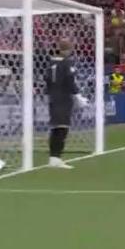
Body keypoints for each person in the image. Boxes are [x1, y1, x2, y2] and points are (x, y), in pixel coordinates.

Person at [45, 39, 88, 169]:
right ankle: (55, 158)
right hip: (63, 98)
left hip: (53, 97)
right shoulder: (66, 63)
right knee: (62, 128)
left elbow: (47, 80)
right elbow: (70, 80)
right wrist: (78, 96)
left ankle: (54, 157)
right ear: (69, 49)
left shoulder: (51, 62)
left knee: (56, 128)